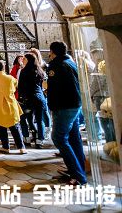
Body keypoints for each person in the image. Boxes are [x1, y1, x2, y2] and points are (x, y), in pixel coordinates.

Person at [47, 41, 87, 185]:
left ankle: (78, 175)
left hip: (64, 106)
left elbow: (54, 90)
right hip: (75, 104)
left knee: (58, 137)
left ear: (53, 52)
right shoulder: (70, 63)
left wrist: (51, 105)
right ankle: (78, 169)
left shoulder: (56, 66)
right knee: (73, 137)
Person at [18, 53, 49, 148]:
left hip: (28, 98)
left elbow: (21, 86)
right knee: (39, 120)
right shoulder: (40, 71)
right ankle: (40, 140)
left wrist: (20, 98)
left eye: (24, 59)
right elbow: (42, 85)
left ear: (28, 60)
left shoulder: (24, 71)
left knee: (25, 119)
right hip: (39, 98)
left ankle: (26, 138)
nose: (23, 60)